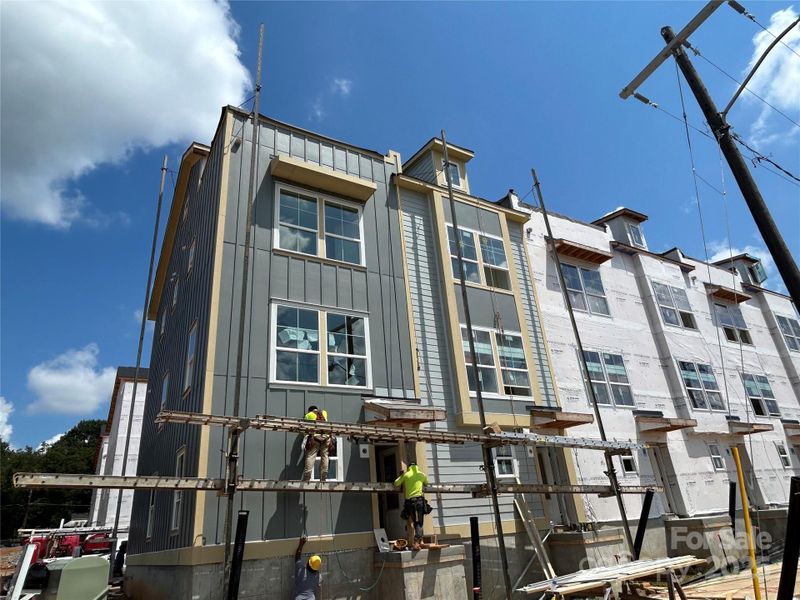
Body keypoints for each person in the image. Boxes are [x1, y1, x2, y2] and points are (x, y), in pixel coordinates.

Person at [394, 462, 429, 549]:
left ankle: (419, 541)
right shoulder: (421, 474)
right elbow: (427, 483)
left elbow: (396, 483)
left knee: (414, 521)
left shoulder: (406, 475)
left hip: (410, 503)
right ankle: (417, 542)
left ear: (409, 467)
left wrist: (401, 476)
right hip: (418, 502)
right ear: (417, 467)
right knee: (419, 523)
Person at [302, 406, 331, 482]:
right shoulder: (324, 413)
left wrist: (306, 437)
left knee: (311, 457)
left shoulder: (308, 415)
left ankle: (307, 478)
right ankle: (323, 477)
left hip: (314, 438)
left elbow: (305, 429)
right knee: (325, 456)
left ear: (310, 410)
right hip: (326, 438)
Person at [292, 536, 322, 600]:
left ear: (309, 563)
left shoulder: (300, 570)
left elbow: (297, 557)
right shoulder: (319, 576)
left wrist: (301, 544)